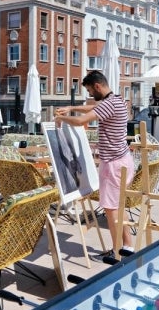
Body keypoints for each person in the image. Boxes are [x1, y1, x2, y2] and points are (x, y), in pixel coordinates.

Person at [55, 70, 134, 259]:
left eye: (90, 91)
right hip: (124, 160)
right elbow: (93, 107)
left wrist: (61, 118)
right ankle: (128, 246)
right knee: (118, 206)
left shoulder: (109, 104)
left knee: (111, 210)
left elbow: (81, 120)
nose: (90, 95)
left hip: (113, 165)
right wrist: (71, 107)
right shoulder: (117, 100)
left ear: (98, 86)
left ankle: (115, 253)